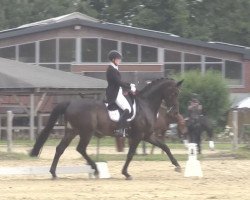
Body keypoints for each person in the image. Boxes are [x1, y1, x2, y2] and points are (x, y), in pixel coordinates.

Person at [106, 50, 136, 136]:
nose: (119, 61)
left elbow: (120, 81)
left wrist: (129, 84)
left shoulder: (114, 69)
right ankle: (119, 129)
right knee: (127, 109)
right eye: (118, 59)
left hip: (118, 92)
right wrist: (130, 88)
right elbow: (118, 82)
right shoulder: (111, 70)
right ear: (113, 60)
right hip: (114, 94)